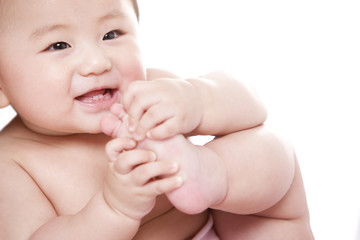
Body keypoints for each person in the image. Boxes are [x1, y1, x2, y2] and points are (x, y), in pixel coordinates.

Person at [0, 0, 313, 239]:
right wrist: (113, 209)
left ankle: (211, 173)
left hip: (229, 232)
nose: (97, 62)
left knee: (271, 147)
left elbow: (253, 105)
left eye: (112, 34)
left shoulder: (151, 93)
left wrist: (198, 100)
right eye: (59, 45)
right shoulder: (12, 164)